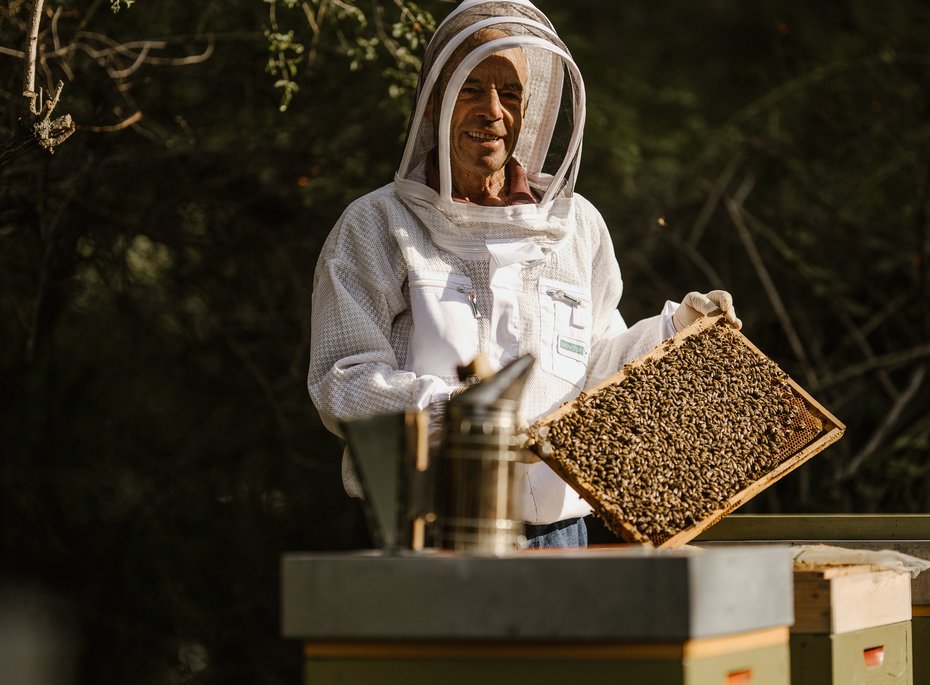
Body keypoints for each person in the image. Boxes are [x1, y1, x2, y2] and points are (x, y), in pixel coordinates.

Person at [308, 0, 741, 549]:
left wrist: (677, 332)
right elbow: (340, 381)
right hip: (425, 530)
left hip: (562, 532)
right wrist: (455, 414)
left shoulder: (576, 225)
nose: (492, 110)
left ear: (530, 111)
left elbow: (597, 368)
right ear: (436, 99)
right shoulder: (377, 225)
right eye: (471, 88)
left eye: (510, 93)